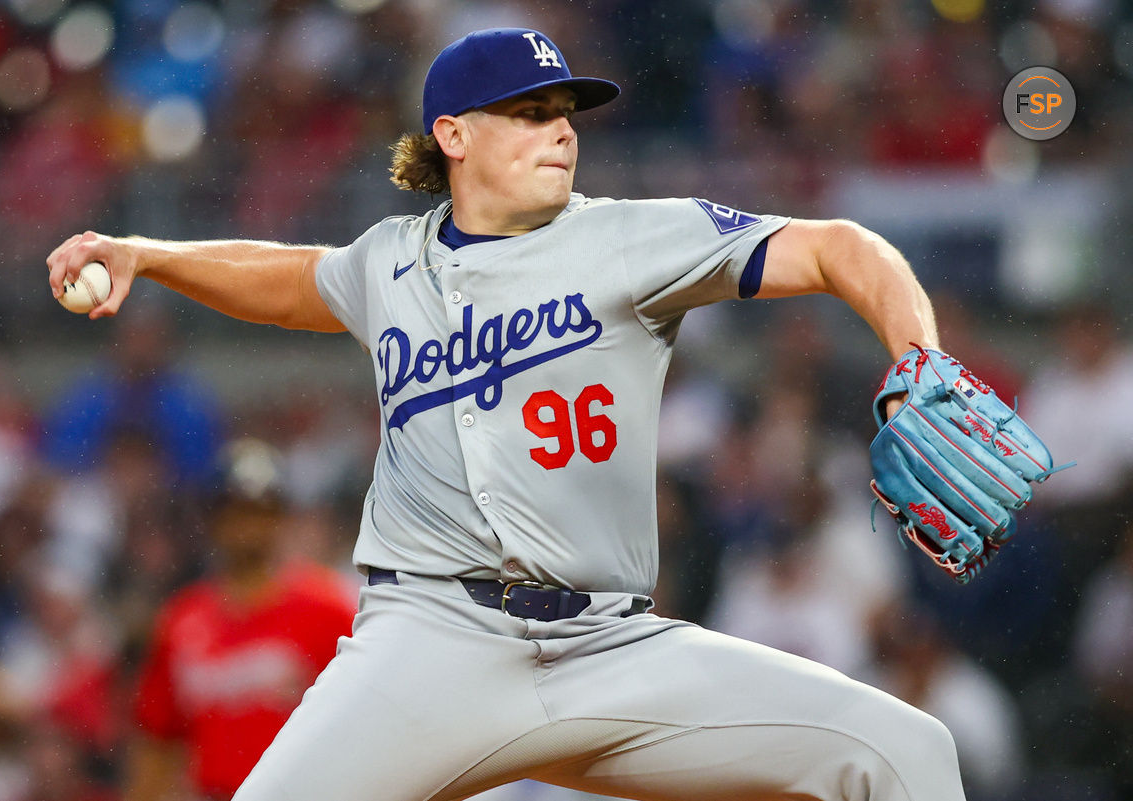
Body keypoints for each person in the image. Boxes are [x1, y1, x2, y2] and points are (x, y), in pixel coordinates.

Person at [50, 28, 965, 801]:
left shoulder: (634, 237)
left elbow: (843, 247)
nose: (561, 134)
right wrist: (150, 252)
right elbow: (290, 278)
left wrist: (918, 354)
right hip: (431, 642)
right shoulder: (387, 262)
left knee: (907, 754)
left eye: (566, 115)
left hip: (611, 643)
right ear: (452, 133)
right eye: (530, 114)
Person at [124, 438, 358, 801]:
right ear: (213, 518)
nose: (249, 525)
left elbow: (363, 722)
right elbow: (158, 743)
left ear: (281, 518)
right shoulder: (182, 618)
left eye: (262, 510)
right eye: (236, 510)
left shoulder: (328, 607)